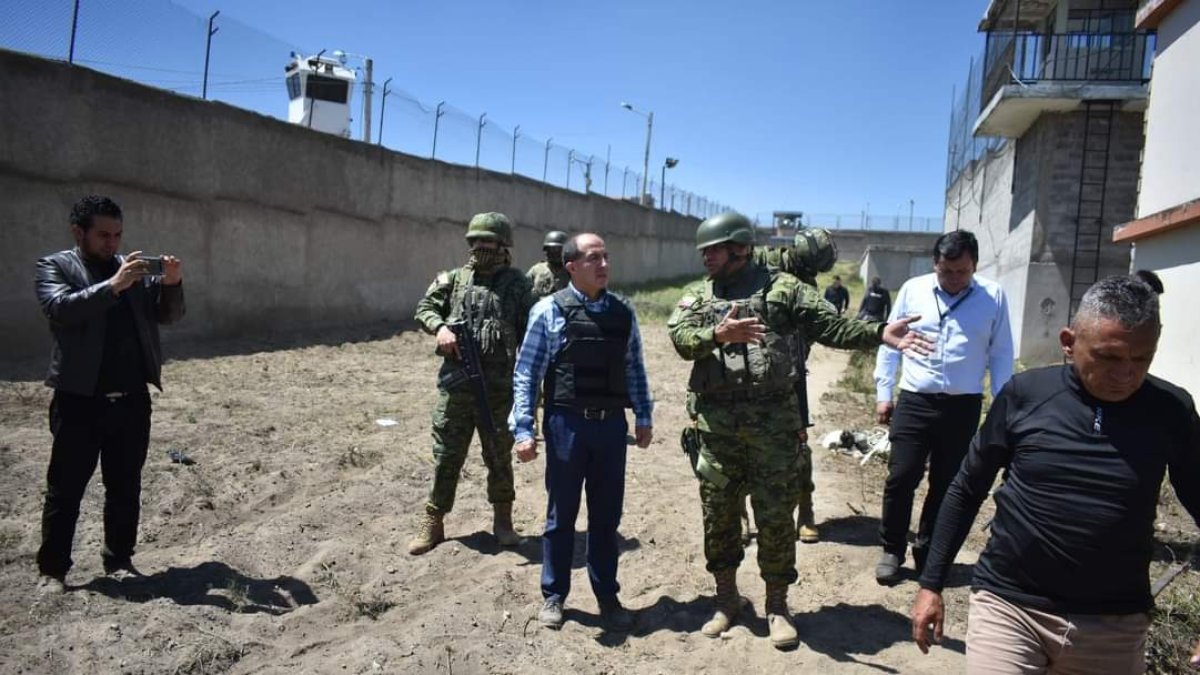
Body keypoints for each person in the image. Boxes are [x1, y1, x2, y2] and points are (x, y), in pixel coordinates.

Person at [911, 274, 1200, 674]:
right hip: (1010, 606)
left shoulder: (1171, 410)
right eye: (1110, 357)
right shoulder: (1025, 396)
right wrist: (931, 584)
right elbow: (966, 489)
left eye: (1141, 359)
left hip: (1113, 624)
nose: (1126, 374)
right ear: (1069, 343)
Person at [667, 212, 930, 648]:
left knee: (774, 519)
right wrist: (718, 334)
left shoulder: (782, 289)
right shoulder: (698, 294)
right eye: (703, 252)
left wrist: (880, 332)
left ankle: (777, 606)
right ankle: (727, 601)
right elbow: (680, 339)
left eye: (713, 250)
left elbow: (830, 326)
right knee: (719, 520)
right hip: (716, 432)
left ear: (739, 247)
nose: (706, 258)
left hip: (773, 431)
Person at [34, 195, 186, 594]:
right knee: (65, 489)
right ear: (78, 232)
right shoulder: (56, 266)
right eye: (103, 235)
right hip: (79, 399)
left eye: (117, 235)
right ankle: (52, 570)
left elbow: (168, 315)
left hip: (132, 400)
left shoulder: (131, 271)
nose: (112, 244)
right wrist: (114, 286)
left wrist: (171, 285)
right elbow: (60, 309)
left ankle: (119, 558)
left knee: (125, 485)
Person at [510, 233, 653, 632]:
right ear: (571, 266)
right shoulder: (548, 311)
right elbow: (526, 374)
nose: (604, 264)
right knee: (562, 515)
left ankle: (607, 596)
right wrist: (524, 429)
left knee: (607, 517)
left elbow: (633, 368)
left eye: (606, 257)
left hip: (610, 428)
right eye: (594, 258)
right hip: (565, 425)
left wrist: (643, 415)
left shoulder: (623, 313)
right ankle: (554, 596)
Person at [873, 229, 1013, 585]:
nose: (953, 279)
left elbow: (1000, 353)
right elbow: (891, 342)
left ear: (974, 266)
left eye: (962, 272)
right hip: (916, 400)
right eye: (945, 271)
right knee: (901, 476)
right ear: (935, 264)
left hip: (963, 406)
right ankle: (892, 548)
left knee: (948, 483)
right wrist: (884, 392)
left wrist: (1004, 405)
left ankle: (928, 550)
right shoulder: (913, 289)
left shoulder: (993, 296)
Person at [409, 212, 534, 556]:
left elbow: (535, 325)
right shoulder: (453, 279)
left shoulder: (517, 284)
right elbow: (424, 307)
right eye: (475, 241)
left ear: (502, 245)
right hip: (456, 386)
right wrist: (440, 328)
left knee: (499, 456)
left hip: (498, 390)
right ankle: (433, 523)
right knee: (447, 455)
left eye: (487, 241)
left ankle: (504, 523)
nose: (479, 247)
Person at [753, 227, 839, 543]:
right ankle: (740, 516)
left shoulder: (810, 286)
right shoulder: (762, 261)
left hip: (791, 375)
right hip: (749, 369)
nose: (811, 273)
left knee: (799, 443)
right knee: (740, 443)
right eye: (810, 266)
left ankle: (806, 511)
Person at [527, 230, 570, 298]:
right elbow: (524, 289)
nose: (554, 253)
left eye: (557, 250)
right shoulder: (536, 270)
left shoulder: (571, 270)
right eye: (550, 249)